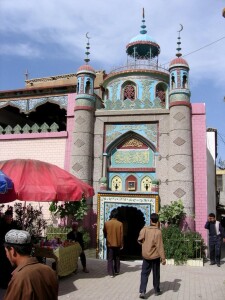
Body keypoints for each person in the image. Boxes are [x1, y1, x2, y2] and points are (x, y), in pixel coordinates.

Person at [3, 229, 58, 300]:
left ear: (12, 251)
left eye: (6, 251)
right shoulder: (49, 271)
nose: (6, 255)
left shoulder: (19, 278)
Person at [138, 213, 166, 299]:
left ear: (150, 220)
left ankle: (142, 291)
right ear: (157, 221)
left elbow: (139, 240)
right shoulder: (158, 232)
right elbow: (159, 246)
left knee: (144, 273)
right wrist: (163, 258)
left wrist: (144, 244)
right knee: (156, 274)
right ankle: (157, 291)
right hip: (155, 257)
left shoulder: (144, 229)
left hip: (146, 256)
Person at [0, 210, 20, 289]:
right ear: (5, 217)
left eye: (10, 217)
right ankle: (3, 283)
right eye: (8, 216)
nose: (9, 218)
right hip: (3, 249)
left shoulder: (13, 224)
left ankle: (9, 282)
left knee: (9, 266)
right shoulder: (2, 225)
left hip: (10, 248)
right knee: (3, 265)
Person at [103, 208, 123, 278]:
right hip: (117, 243)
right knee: (117, 257)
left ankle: (111, 273)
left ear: (111, 215)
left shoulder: (106, 223)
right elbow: (121, 235)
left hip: (110, 243)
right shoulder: (120, 224)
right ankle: (117, 270)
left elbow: (104, 233)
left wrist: (107, 237)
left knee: (110, 258)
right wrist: (121, 244)